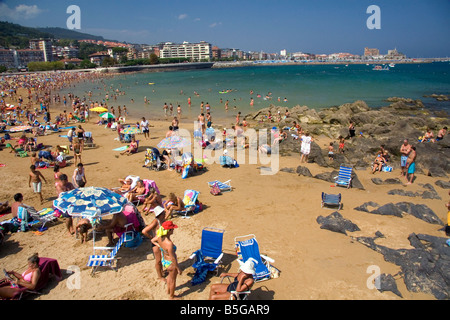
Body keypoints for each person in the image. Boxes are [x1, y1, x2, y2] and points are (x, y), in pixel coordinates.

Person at [151, 220, 181, 300]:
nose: (173, 230)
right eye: (172, 229)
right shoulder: (169, 244)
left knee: (169, 278)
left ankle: (168, 291)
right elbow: (172, 258)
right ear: (168, 231)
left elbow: (152, 241)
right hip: (171, 263)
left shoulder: (160, 237)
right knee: (173, 280)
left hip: (164, 260)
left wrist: (160, 246)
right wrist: (178, 268)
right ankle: (172, 296)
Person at [141, 206, 166, 282]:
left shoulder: (162, 220)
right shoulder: (155, 221)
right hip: (156, 243)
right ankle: (160, 277)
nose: (165, 213)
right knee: (158, 260)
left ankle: (161, 271)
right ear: (160, 214)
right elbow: (144, 231)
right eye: (163, 213)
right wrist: (151, 237)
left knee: (162, 258)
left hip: (161, 241)